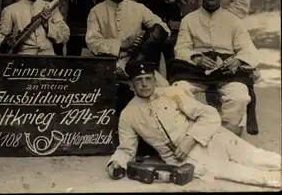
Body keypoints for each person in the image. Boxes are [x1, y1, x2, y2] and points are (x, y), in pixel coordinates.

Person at [106, 61, 281, 188]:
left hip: (213, 137)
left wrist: (190, 139)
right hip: (188, 159)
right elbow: (127, 149)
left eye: (148, 78)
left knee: (258, 157)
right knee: (248, 176)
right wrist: (116, 164)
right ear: (131, 84)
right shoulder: (128, 114)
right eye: (139, 80)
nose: (144, 84)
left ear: (154, 79)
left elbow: (209, 114)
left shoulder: (172, 93)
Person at [170, 0, 258, 136]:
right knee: (177, 91)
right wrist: (196, 58)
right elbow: (181, 49)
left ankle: (229, 139)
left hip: (226, 72)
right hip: (197, 71)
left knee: (239, 96)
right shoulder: (189, 20)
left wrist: (238, 61)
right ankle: (190, 135)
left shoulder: (234, 21)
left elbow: (248, 49)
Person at [85, 0, 170, 85]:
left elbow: (163, 29)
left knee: (163, 86)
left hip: (136, 63)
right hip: (107, 64)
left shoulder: (139, 8)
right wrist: (122, 44)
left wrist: (145, 39)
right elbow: (92, 42)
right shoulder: (96, 11)